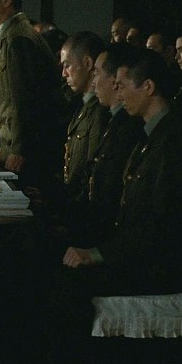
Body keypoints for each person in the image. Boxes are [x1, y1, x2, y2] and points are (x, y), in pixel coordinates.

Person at [50, 48, 182, 364]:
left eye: (123, 86)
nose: (118, 94)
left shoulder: (174, 142)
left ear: (148, 87)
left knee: (70, 281)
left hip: (162, 263)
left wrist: (97, 254)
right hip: (141, 251)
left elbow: (160, 227)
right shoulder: (150, 134)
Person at [0, 0, 64, 192]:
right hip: (13, 143)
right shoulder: (9, 35)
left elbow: (21, 101)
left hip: (29, 149)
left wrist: (17, 149)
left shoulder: (17, 39)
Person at [81, 43, 144, 247]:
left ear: (114, 81)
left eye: (97, 74)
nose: (93, 82)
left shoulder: (128, 127)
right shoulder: (113, 120)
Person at [59, 31, 109, 233]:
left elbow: (90, 174)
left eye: (67, 65)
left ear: (87, 63)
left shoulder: (99, 112)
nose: (64, 73)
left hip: (82, 218)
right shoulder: (82, 106)